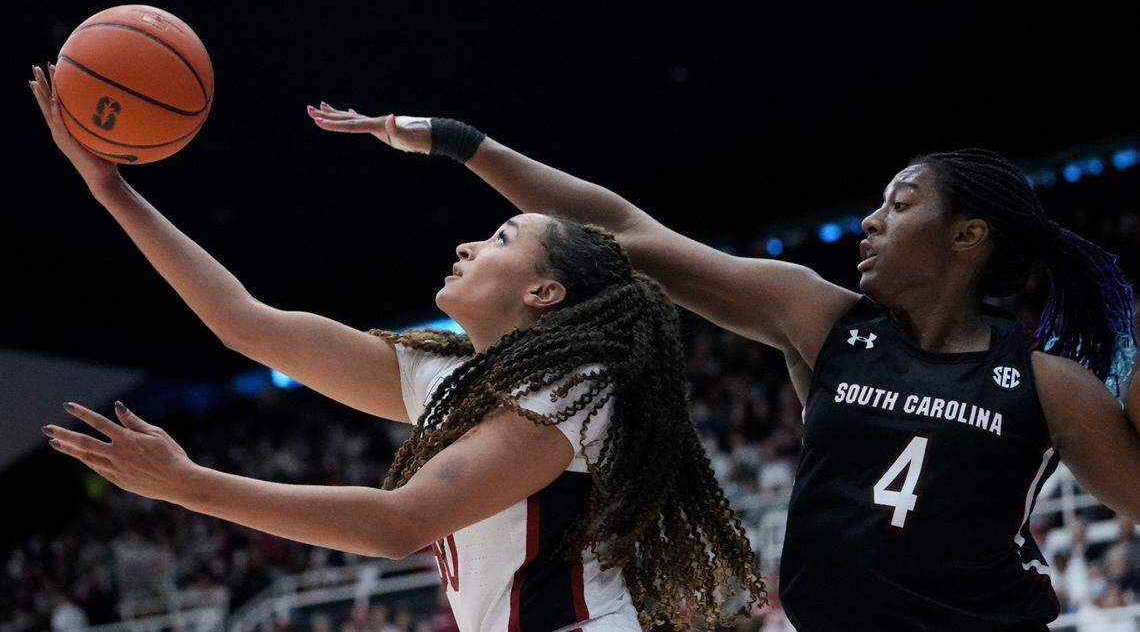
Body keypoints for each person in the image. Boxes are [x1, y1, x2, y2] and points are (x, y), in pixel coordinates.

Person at [310, 103, 1140, 632]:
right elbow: (623, 228)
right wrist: (464, 143)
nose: (870, 219)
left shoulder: (1046, 383)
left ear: (968, 237)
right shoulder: (821, 319)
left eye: (900, 204)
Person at [29, 64, 765, 632]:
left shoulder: (578, 385)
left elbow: (398, 524)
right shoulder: (446, 376)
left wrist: (190, 483)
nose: (469, 243)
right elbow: (242, 322)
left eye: (502, 238)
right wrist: (110, 188)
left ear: (544, 293)